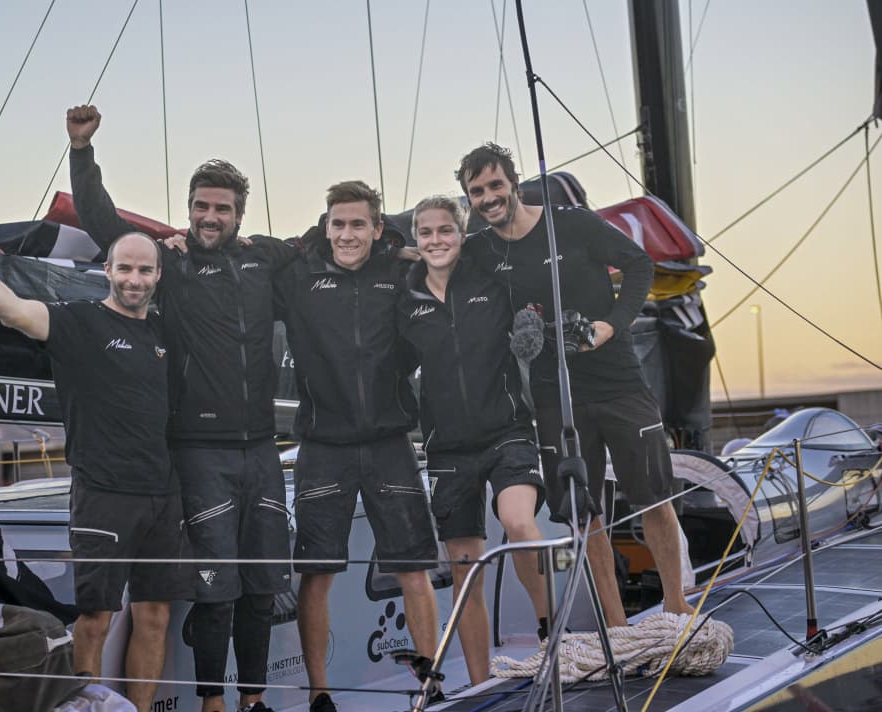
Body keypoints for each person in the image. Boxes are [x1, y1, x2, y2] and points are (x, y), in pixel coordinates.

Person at [68, 104, 291, 712]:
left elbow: (337, 245)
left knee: (262, 587)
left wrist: (400, 246)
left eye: (222, 208)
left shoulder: (264, 260)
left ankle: (253, 701)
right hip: (198, 453)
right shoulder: (170, 264)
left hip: (262, 449)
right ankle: (212, 704)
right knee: (216, 589)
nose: (209, 217)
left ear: (240, 214)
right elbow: (104, 224)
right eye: (200, 206)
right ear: (189, 208)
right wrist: (82, 152)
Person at [0, 221, 192, 712]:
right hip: (103, 494)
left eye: (145, 270)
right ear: (107, 271)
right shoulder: (79, 321)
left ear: (158, 275)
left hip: (164, 495)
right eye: (125, 268)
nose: (134, 279)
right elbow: (15, 311)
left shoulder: (164, 331)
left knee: (155, 616)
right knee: (95, 620)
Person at [456, 143, 694, 627]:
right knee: (584, 514)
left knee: (653, 496)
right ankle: (616, 624)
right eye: (476, 191)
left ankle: (675, 603)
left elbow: (639, 265)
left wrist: (612, 326)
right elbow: (430, 252)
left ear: (514, 183)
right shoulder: (480, 250)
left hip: (620, 382)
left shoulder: (574, 224)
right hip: (554, 397)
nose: (488, 197)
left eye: (495, 185)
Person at [273, 181, 439, 712]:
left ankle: (430, 684)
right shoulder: (298, 277)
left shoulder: (399, 273)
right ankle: (319, 692)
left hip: (391, 442)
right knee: (317, 573)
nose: (347, 234)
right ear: (326, 227)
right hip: (324, 445)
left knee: (412, 569)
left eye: (358, 224)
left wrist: (404, 250)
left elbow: (444, 268)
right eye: (338, 224)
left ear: (377, 228)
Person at [397, 195, 549, 685]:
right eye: (426, 232)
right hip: (446, 447)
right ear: (415, 240)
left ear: (462, 235)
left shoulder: (490, 279)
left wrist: (533, 321)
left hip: (507, 431)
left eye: (445, 230)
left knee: (518, 522)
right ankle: (481, 686)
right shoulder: (406, 299)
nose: (436, 240)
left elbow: (532, 295)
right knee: (466, 572)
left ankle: (551, 634)